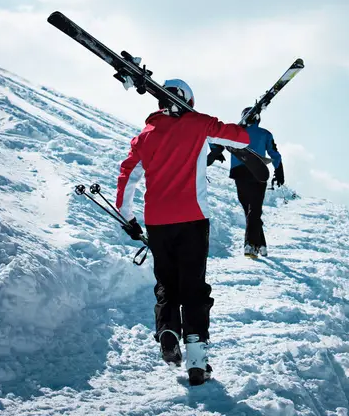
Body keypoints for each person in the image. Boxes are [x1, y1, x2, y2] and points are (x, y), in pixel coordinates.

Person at [116, 79, 250, 386]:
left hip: (157, 222)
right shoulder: (198, 124)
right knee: (193, 287)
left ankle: (168, 331)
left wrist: (128, 216)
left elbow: (128, 176)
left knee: (167, 283)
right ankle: (197, 360)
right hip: (192, 219)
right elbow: (241, 139)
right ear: (189, 100)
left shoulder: (145, 136)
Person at [229, 108, 285, 259]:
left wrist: (215, 152)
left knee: (250, 210)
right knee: (254, 209)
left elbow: (215, 141)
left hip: (239, 172)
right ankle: (252, 244)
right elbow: (274, 153)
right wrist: (279, 170)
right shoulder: (265, 133)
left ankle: (260, 245)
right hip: (258, 173)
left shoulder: (234, 131)